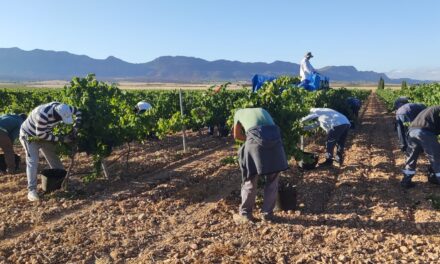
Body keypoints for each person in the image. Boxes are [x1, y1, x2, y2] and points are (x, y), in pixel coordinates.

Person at [233, 108, 288, 223]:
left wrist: (250, 139)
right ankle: (267, 215)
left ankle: (245, 215)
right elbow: (269, 129)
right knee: (273, 180)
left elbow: (237, 135)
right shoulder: (263, 110)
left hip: (254, 143)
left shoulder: (238, 113)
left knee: (250, 178)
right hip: (275, 142)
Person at [20, 102, 82, 201]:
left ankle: (62, 181)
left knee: (53, 157)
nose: (61, 120)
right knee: (33, 161)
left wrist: (76, 126)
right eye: (61, 118)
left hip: (45, 135)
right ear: (56, 114)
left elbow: (79, 111)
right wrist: (62, 139)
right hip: (30, 136)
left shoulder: (65, 108)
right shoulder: (42, 114)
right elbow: (40, 135)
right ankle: (32, 190)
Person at [401, 106, 440, 188]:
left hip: (412, 132)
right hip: (425, 132)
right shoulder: (437, 110)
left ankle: (406, 181)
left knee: (411, 157)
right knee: (436, 158)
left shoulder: (429, 110)